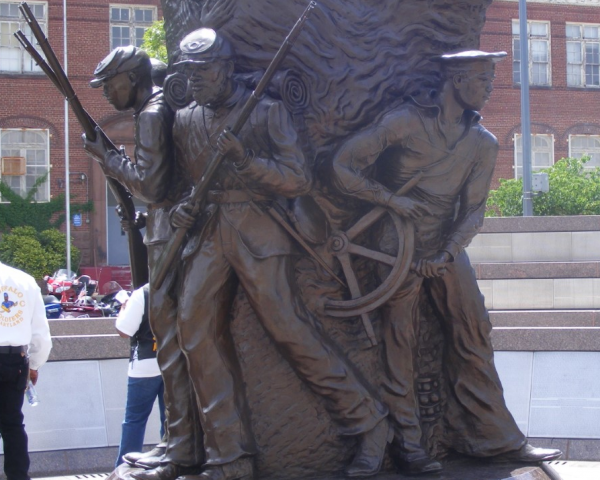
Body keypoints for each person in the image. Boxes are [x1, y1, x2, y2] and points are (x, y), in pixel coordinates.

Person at [134, 28, 390, 480]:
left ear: (226, 68)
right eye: (188, 73)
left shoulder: (266, 111)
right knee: (195, 333)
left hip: (258, 234)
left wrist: (244, 161)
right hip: (208, 235)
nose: (193, 81)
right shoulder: (188, 118)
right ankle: (230, 457)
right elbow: (184, 186)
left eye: (203, 72)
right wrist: (182, 211)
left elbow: (297, 179)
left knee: (290, 330)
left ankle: (369, 423)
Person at [331, 50, 562, 475]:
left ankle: (495, 438)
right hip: (394, 245)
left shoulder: (483, 143)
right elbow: (343, 166)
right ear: (456, 79)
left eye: (493, 81)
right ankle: (408, 443)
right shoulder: (404, 122)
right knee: (399, 340)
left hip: (445, 245)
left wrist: (448, 253)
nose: (491, 89)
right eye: (484, 80)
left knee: (473, 328)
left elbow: (473, 210)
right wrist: (389, 199)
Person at [83, 46, 201, 473]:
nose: (106, 94)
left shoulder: (151, 114)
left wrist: (107, 158)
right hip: (171, 230)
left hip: (172, 237)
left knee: (170, 343)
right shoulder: (160, 107)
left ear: (131, 78)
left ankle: (180, 443)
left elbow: (151, 186)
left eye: (109, 84)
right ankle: (179, 439)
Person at [0, 261, 52, 480]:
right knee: (12, 423)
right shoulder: (25, 281)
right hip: (14, 360)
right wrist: (35, 366)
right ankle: (18, 476)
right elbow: (40, 333)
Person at [114, 285, 166, 468]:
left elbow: (124, 330)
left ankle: (125, 466)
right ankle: (168, 463)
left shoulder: (143, 293)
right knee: (170, 420)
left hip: (144, 364)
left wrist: (123, 307)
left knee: (134, 420)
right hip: (174, 364)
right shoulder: (182, 286)